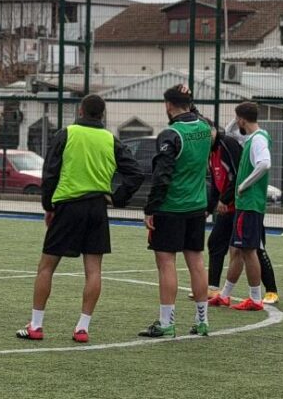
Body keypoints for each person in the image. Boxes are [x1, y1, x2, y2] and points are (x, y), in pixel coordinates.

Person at [16, 94, 143, 343]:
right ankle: (82, 328)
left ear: (80, 111)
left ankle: (36, 325)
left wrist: (48, 205)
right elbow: (136, 173)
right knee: (93, 270)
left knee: (46, 267)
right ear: (102, 114)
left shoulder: (66, 134)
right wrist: (117, 198)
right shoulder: (111, 140)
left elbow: (50, 172)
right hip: (97, 208)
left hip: (68, 206)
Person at [139, 85, 214, 338]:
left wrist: (150, 208)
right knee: (197, 262)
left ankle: (166, 322)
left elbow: (161, 175)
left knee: (166, 263)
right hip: (197, 206)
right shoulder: (205, 128)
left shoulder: (171, 134)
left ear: (168, 105)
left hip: (171, 207)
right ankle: (202, 321)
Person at [207, 102, 271, 311]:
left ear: (242, 120)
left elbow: (265, 163)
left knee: (248, 251)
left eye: (238, 119)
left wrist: (243, 184)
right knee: (236, 250)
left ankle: (255, 298)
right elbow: (229, 131)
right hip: (244, 203)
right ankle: (225, 295)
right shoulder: (251, 137)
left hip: (250, 202)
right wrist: (237, 119)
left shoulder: (258, 139)